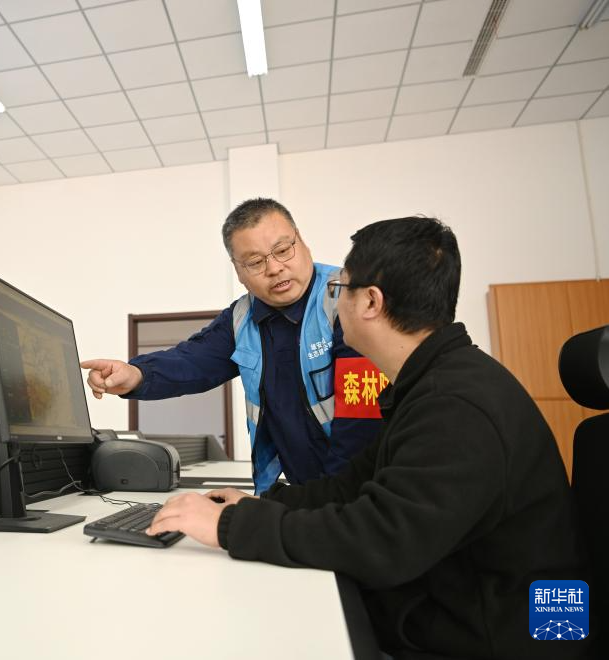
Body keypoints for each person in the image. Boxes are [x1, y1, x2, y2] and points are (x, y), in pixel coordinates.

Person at [147, 217, 592, 659]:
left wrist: (227, 527)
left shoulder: (455, 405)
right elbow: (353, 485)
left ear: (371, 302)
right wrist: (257, 506)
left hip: (503, 638)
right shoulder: (427, 386)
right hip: (458, 601)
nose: (332, 302)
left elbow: (382, 540)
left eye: (340, 289)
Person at [81, 198, 381, 494]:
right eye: (255, 262)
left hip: (364, 489)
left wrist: (320, 504)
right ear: (238, 271)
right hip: (312, 492)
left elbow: (362, 422)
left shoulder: (346, 297)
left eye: (282, 250)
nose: (274, 268)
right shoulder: (241, 319)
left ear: (301, 241)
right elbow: (192, 360)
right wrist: (136, 374)